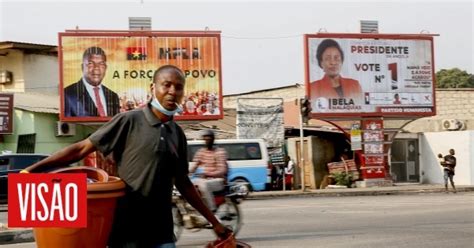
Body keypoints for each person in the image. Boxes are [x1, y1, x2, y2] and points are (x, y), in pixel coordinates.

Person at [24, 65, 231, 247]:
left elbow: (184, 183)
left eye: (178, 87)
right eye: (166, 85)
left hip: (162, 232)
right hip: (127, 233)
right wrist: (31, 171)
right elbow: (81, 149)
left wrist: (215, 223)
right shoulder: (129, 120)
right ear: (153, 88)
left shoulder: (176, 134)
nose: (172, 92)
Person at [64, 46, 120, 117]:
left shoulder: (113, 96)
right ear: (82, 67)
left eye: (101, 64)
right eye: (90, 64)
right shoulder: (68, 94)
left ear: (105, 68)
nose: (96, 68)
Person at [310, 39, 363, 105]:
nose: (333, 62)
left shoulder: (354, 85)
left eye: (336, 58)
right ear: (321, 63)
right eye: (328, 58)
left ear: (342, 61)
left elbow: (362, 109)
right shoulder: (313, 88)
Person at [190, 129, 229, 212]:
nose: (207, 141)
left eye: (209, 139)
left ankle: (212, 210)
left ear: (213, 139)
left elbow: (222, 170)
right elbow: (194, 165)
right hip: (205, 179)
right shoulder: (201, 152)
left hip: (219, 181)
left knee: (204, 185)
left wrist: (209, 174)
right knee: (188, 185)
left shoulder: (219, 152)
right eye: (205, 139)